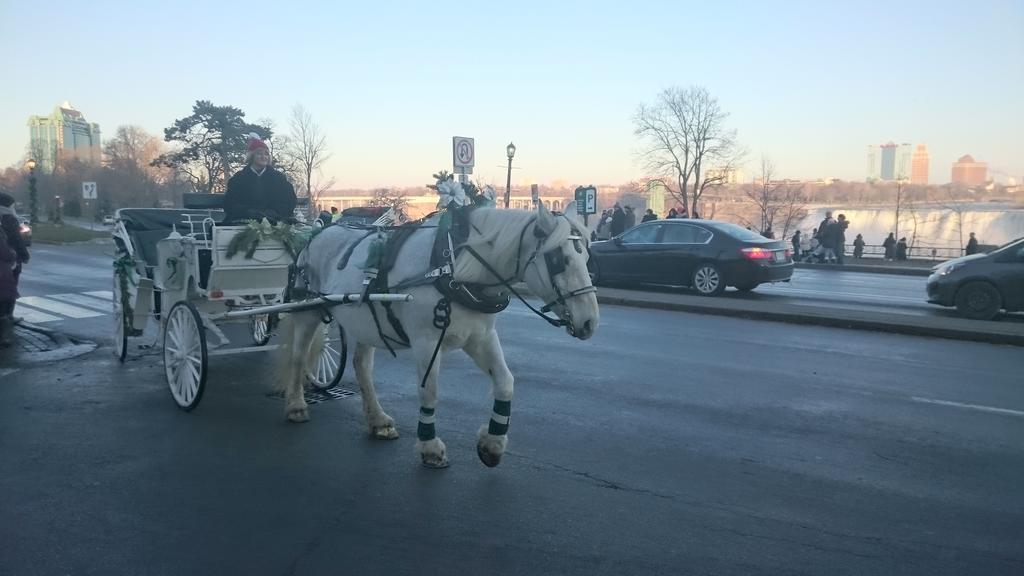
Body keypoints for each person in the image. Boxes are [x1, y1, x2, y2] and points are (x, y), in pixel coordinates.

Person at [222, 135, 297, 224]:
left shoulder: (278, 178)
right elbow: (230, 203)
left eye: (266, 154)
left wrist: (275, 212)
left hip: (273, 223)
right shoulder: (239, 178)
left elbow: (289, 201)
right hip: (245, 223)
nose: (263, 157)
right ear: (251, 156)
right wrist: (247, 212)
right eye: (259, 153)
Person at [0, 193, 29, 285]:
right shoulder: (9, 219)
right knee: (9, 288)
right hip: (9, 260)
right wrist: (24, 255)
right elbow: (17, 239)